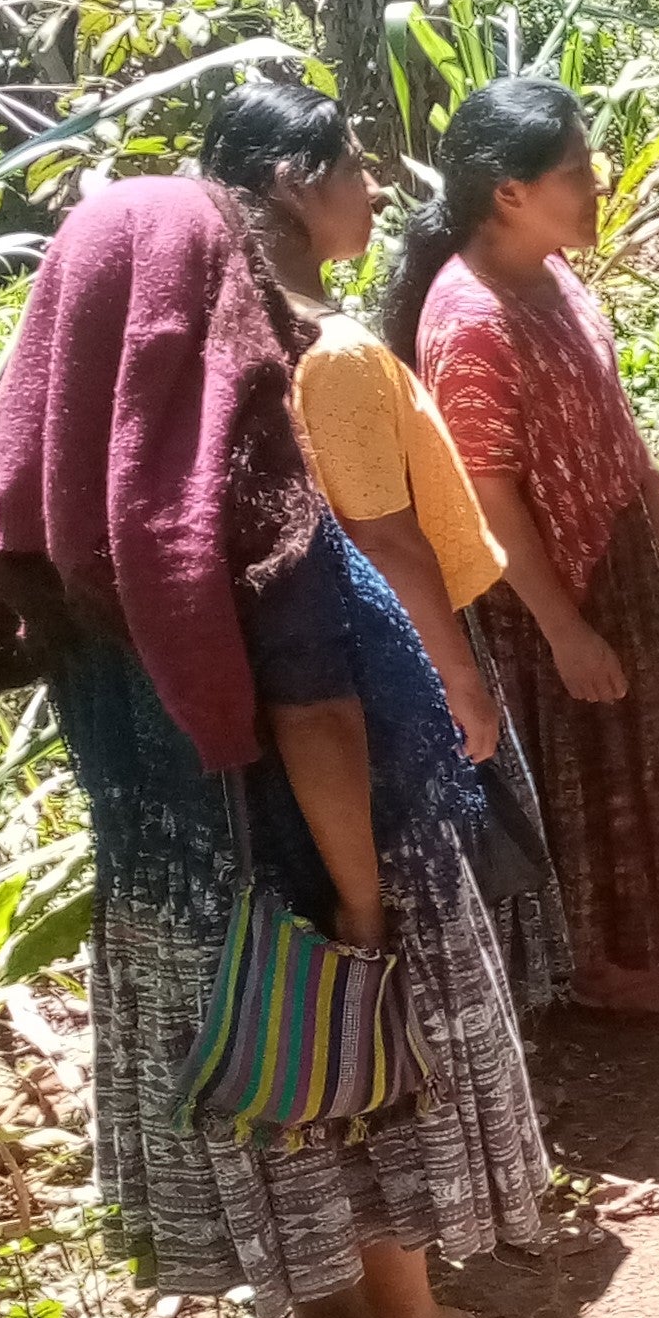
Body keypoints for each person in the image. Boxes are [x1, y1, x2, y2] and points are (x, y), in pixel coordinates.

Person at [0, 173, 544, 1318]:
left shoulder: (62, 519)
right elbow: (317, 714)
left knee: (258, 1074)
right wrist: (365, 902)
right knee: (362, 1058)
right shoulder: (248, 505)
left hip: (172, 881)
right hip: (317, 850)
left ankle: (326, 1310)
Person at [200, 81, 572, 1020]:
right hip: (392, 656)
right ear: (293, 183)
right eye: (355, 165)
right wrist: (458, 674)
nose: (372, 187)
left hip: (317, 658)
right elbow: (384, 535)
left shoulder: (232, 332)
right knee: (434, 877)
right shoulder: (336, 353)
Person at [394, 78, 659, 1017]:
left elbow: (603, 394)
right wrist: (564, 629)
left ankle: (635, 943)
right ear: (509, 190)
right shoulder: (470, 320)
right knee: (583, 767)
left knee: (636, 748)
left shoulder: (551, 270)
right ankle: (595, 968)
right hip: (539, 590)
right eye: (576, 171)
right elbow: (489, 496)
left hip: (604, 557)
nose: (595, 183)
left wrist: (649, 487)